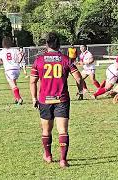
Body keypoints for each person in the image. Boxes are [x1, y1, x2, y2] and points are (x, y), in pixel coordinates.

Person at [30, 32, 84, 168]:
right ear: (59, 44)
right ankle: (63, 160)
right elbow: (78, 78)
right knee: (63, 131)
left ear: (46, 44)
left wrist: (34, 98)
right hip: (62, 99)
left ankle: (48, 156)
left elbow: (32, 81)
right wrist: (80, 90)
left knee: (46, 130)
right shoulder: (66, 59)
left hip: (44, 100)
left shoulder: (39, 60)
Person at [0, 37, 23, 105]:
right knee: (14, 82)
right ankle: (16, 98)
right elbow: (20, 58)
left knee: (12, 84)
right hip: (17, 69)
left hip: (9, 69)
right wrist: (18, 61)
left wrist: (4, 62)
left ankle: (19, 98)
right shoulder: (15, 50)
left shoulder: (2, 51)